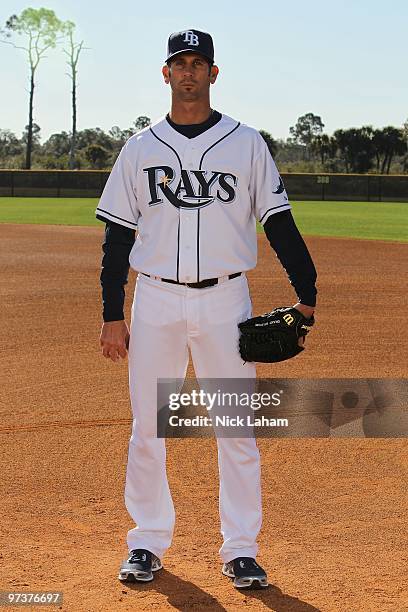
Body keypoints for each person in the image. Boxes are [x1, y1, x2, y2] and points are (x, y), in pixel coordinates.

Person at [96, 29, 317, 590]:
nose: (189, 72)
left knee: (236, 429)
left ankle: (241, 548)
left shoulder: (246, 143)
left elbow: (277, 220)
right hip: (155, 300)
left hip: (226, 300)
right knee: (149, 426)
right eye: (180, 63)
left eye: (199, 63)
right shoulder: (140, 148)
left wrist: (307, 288)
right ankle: (146, 542)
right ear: (165, 74)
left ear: (214, 74)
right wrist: (111, 312)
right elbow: (117, 238)